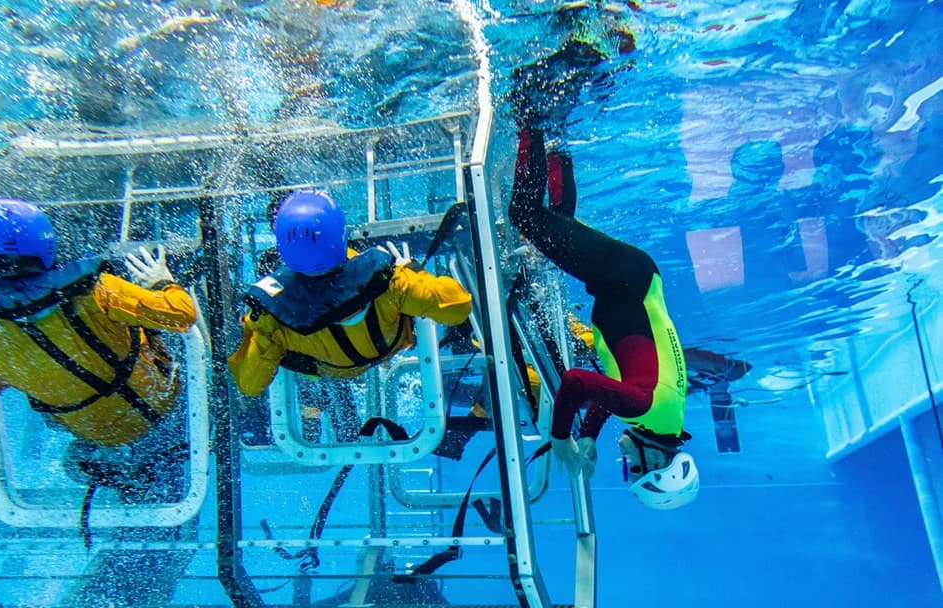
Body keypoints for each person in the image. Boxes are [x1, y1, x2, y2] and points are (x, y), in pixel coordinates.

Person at [508, 58, 699, 510]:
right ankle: (530, 111)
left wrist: (589, 436)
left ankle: (554, 138)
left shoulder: (662, 419)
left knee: (556, 224)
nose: (625, 463)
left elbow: (612, 389)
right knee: (527, 217)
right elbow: (575, 382)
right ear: (656, 459)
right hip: (621, 277)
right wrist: (561, 439)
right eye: (635, 469)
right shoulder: (644, 412)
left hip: (632, 276)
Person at [0, 197, 197, 501]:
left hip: (91, 431)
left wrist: (24, 361)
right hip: (162, 402)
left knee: (73, 457)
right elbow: (183, 315)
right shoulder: (98, 290)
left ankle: (133, 476)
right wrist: (162, 281)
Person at [227, 189, 473, 397]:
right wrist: (413, 271)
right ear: (341, 232)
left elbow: (249, 385)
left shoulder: (271, 317)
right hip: (391, 345)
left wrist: (254, 328)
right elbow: (459, 307)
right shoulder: (390, 280)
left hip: (332, 369)